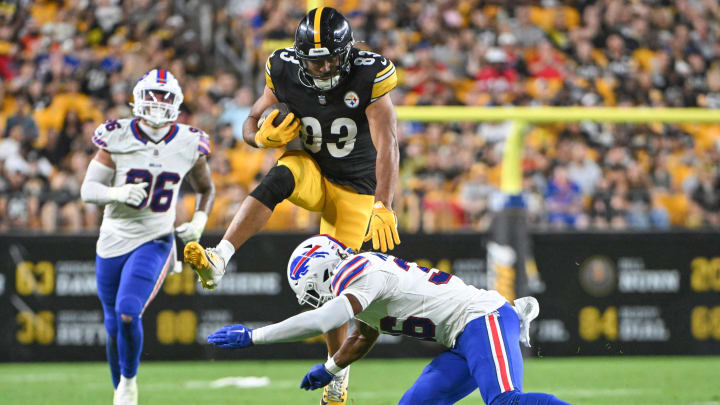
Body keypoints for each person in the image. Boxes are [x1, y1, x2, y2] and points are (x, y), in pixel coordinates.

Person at [184, 7, 400, 404]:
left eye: (330, 59)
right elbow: (250, 122)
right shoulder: (281, 67)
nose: (322, 69)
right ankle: (220, 257)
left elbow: (387, 143)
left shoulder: (370, 73)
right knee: (280, 174)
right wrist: (259, 139)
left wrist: (384, 203)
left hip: (357, 189)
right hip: (313, 172)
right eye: (313, 61)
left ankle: (338, 375)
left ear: (348, 52)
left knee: (334, 288)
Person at [206, 235, 570, 405]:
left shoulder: (358, 269)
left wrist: (254, 337)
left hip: (481, 319)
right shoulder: (361, 284)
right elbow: (364, 336)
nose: (311, 294)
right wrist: (331, 368)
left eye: (309, 285)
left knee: (504, 402)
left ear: (322, 269)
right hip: (463, 338)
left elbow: (323, 320)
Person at [81, 69, 215, 405]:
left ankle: (128, 383)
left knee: (128, 310)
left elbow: (206, 188)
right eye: (151, 96)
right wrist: (117, 193)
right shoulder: (117, 134)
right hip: (112, 238)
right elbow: (88, 189)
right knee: (113, 324)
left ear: (177, 103)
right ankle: (122, 389)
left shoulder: (189, 140)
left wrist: (200, 218)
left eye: (164, 96)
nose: (157, 104)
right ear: (138, 98)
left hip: (154, 239)